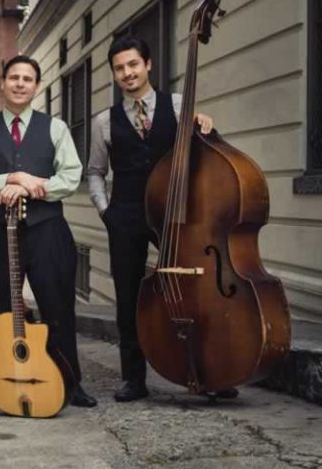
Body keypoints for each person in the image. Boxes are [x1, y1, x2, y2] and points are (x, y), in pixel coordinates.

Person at [0, 54, 97, 417]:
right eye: (14, 77)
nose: (20, 84)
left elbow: (70, 177)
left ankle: (70, 384)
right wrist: (11, 178)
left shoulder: (56, 128)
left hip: (48, 231)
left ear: (36, 86)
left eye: (27, 79)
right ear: (2, 83)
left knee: (58, 307)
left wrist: (28, 188)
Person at [87, 36, 219, 402]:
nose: (127, 73)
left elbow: (204, 153)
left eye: (133, 64)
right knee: (128, 298)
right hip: (125, 216)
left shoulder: (177, 105)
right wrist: (106, 211)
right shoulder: (104, 121)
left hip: (174, 214)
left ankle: (209, 373)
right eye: (119, 68)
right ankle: (134, 379)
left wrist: (205, 124)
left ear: (147, 64)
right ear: (114, 74)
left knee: (196, 289)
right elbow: (95, 172)